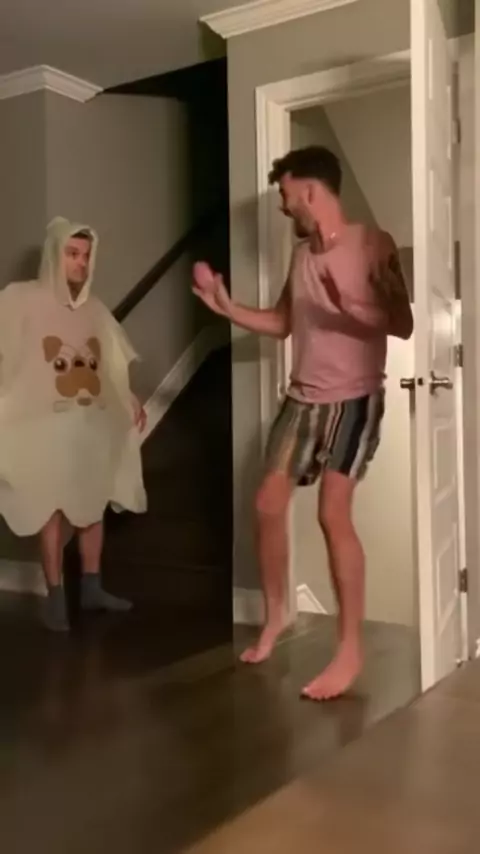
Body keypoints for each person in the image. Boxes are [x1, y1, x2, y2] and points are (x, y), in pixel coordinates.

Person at [192, 145, 413, 701]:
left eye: (287, 197)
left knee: (332, 513)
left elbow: (402, 323)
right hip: (302, 398)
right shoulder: (301, 256)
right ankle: (278, 613)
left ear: (310, 191)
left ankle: (349, 650)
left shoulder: (374, 243)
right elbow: (283, 322)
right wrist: (227, 308)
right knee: (267, 504)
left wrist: (350, 308)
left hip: (354, 400)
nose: (285, 208)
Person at [0, 217, 147, 632]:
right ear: (55, 254)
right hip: (40, 424)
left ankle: (92, 586)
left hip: (88, 424)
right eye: (72, 254)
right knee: (49, 504)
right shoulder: (20, 300)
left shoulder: (94, 310)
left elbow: (109, 365)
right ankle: (55, 595)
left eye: (85, 256)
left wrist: (128, 397)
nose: (81, 263)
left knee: (92, 500)